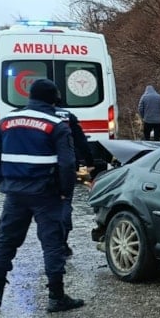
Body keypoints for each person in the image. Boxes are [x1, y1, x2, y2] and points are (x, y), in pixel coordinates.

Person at [0, 78, 84, 312]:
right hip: (46, 193)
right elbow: (67, 164)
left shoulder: (7, 121)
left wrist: (3, 181)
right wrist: (64, 193)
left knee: (6, 241)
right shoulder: (56, 124)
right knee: (52, 243)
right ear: (53, 99)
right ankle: (56, 296)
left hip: (15, 193)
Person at [54, 94, 95, 259]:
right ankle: (62, 243)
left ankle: (51, 243)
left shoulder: (35, 116)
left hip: (42, 169)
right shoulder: (67, 117)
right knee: (64, 203)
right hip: (66, 167)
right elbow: (81, 141)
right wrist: (90, 162)